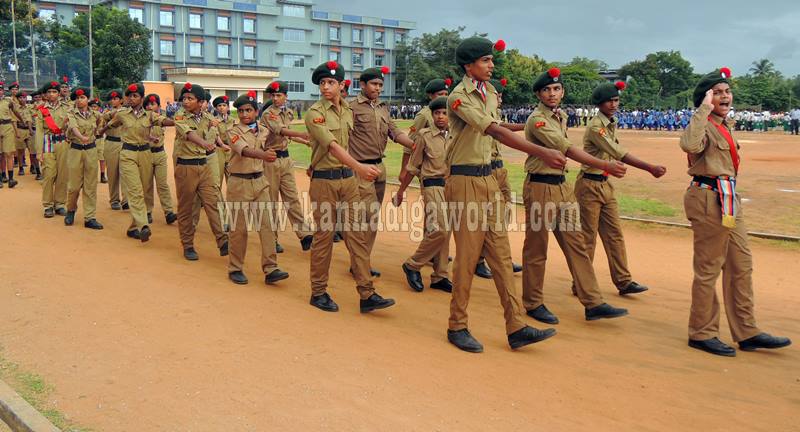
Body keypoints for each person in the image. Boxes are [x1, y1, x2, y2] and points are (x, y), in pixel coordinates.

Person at [445, 37, 564, 353]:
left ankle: (516, 325)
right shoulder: (459, 97)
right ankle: (457, 325)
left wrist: (525, 130)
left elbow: (498, 125)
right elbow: (492, 130)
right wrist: (542, 149)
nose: (491, 65)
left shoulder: (489, 93)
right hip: (465, 182)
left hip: (488, 181)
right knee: (468, 258)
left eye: (491, 60)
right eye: (486, 60)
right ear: (469, 66)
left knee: (500, 255)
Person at [681, 67, 791, 357]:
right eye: (717, 93)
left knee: (741, 264)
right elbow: (689, 145)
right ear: (705, 99)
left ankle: (747, 331)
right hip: (707, 197)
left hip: (728, 198)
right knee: (708, 268)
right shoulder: (703, 123)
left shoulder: (724, 124)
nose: (725, 96)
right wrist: (703, 110)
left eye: (726, 91)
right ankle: (702, 332)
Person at [521, 67, 630, 325]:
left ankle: (593, 302)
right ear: (538, 94)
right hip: (540, 188)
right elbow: (566, 148)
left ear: (563, 91)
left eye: (556, 89)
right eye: (546, 90)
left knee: (577, 245)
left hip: (562, 187)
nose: (552, 93)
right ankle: (533, 302)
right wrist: (604, 165)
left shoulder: (561, 116)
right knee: (537, 248)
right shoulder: (537, 120)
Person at [304, 60, 395, 314]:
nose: (325, 87)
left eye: (330, 82)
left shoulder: (347, 111)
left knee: (357, 235)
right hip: (325, 181)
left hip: (348, 181)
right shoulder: (314, 113)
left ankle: (367, 293)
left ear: (342, 85)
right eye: (322, 83)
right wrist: (360, 167)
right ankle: (318, 291)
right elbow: (332, 146)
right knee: (324, 238)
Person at [571, 81, 667, 296]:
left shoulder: (609, 122)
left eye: (616, 100)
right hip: (589, 185)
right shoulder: (597, 126)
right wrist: (649, 167)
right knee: (587, 237)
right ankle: (581, 283)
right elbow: (618, 152)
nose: (614, 104)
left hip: (604, 184)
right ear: (600, 103)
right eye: (609, 101)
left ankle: (623, 281)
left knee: (614, 234)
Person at [349, 66, 417, 277]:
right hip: (360, 168)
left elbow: (394, 132)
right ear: (362, 85)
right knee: (364, 217)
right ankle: (359, 264)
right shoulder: (351, 108)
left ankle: (362, 261)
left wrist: (414, 144)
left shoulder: (383, 108)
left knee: (372, 218)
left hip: (380, 168)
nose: (378, 88)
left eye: (380, 85)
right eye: (374, 84)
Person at [225, 91, 289, 285]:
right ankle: (235, 268)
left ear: (256, 112)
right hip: (239, 183)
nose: (244, 114)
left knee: (267, 225)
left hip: (260, 182)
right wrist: (263, 155)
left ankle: (271, 268)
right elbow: (243, 151)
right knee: (239, 229)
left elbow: (276, 142)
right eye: (241, 111)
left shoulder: (263, 130)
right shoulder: (233, 131)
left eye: (249, 110)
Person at [100, 83, 174, 242]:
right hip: (128, 153)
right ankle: (143, 225)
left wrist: (177, 121)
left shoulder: (149, 115)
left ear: (141, 98)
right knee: (134, 189)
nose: (131, 99)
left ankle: (133, 227)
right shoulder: (122, 114)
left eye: (135, 96)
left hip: (145, 153)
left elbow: (163, 121)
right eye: (129, 96)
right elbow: (110, 123)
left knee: (145, 189)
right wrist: (99, 132)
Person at [395, 96, 452, 293]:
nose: (441, 117)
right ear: (432, 115)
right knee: (441, 230)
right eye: (437, 113)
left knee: (446, 231)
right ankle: (413, 264)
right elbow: (413, 166)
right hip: (431, 186)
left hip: (450, 188)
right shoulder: (424, 136)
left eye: (445, 113)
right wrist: (401, 191)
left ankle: (440, 276)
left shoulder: (455, 136)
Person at [173, 83, 229, 260]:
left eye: (190, 98)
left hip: (204, 165)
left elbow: (215, 138)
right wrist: (204, 144)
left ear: (201, 102)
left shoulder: (207, 117)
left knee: (212, 202)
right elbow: (189, 134)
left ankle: (222, 241)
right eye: (184, 98)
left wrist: (213, 129)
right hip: (186, 167)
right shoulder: (180, 115)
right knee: (187, 208)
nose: (186, 101)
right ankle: (188, 245)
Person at [260, 80, 314, 253]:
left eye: (279, 95)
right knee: (271, 202)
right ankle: (272, 239)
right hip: (270, 160)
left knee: (292, 198)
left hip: (285, 160)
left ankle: (305, 235)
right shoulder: (269, 114)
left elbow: (285, 138)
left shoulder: (288, 113)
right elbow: (281, 131)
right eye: (273, 95)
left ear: (286, 97)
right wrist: (301, 133)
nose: (275, 98)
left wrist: (303, 141)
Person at [63, 87, 104, 230]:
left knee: (90, 186)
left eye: (83, 97)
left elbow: (99, 123)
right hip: (76, 150)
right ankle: (71, 210)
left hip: (91, 151)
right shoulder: (71, 113)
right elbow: (73, 127)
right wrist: (82, 137)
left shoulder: (95, 114)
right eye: (77, 98)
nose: (80, 100)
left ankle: (90, 217)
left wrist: (93, 135)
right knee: (74, 186)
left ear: (87, 99)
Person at [36, 80, 71, 215]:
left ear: (58, 93)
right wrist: (39, 152)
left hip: (63, 144)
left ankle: (60, 204)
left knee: (63, 175)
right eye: (49, 92)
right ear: (45, 94)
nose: (52, 94)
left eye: (54, 91)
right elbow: (39, 131)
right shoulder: (41, 110)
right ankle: (48, 205)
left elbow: (70, 126)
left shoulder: (66, 108)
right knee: (49, 175)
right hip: (47, 143)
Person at [143, 94, 178, 225]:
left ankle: (169, 212)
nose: (149, 106)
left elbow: (169, 122)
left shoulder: (162, 118)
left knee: (163, 184)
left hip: (160, 153)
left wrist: (178, 119)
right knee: (147, 185)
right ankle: (147, 211)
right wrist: (150, 138)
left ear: (158, 106)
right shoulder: (142, 119)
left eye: (152, 104)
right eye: (147, 104)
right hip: (146, 153)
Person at [101, 89, 126, 210]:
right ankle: (114, 199)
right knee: (112, 173)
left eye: (116, 98)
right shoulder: (107, 112)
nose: (113, 101)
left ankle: (126, 199)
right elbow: (104, 119)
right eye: (112, 99)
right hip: (111, 142)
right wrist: (116, 112)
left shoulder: (127, 111)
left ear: (121, 100)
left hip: (124, 143)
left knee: (126, 172)